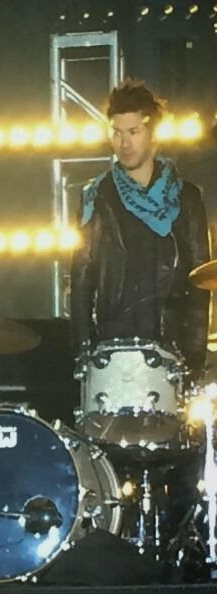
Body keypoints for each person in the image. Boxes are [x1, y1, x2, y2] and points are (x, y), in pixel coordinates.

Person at [71, 78, 210, 375]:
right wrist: (85, 351)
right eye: (117, 132)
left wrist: (194, 360)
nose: (124, 143)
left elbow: (201, 282)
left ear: (154, 134)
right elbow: (82, 277)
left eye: (133, 132)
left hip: (171, 349)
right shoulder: (97, 196)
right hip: (112, 349)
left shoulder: (186, 198)